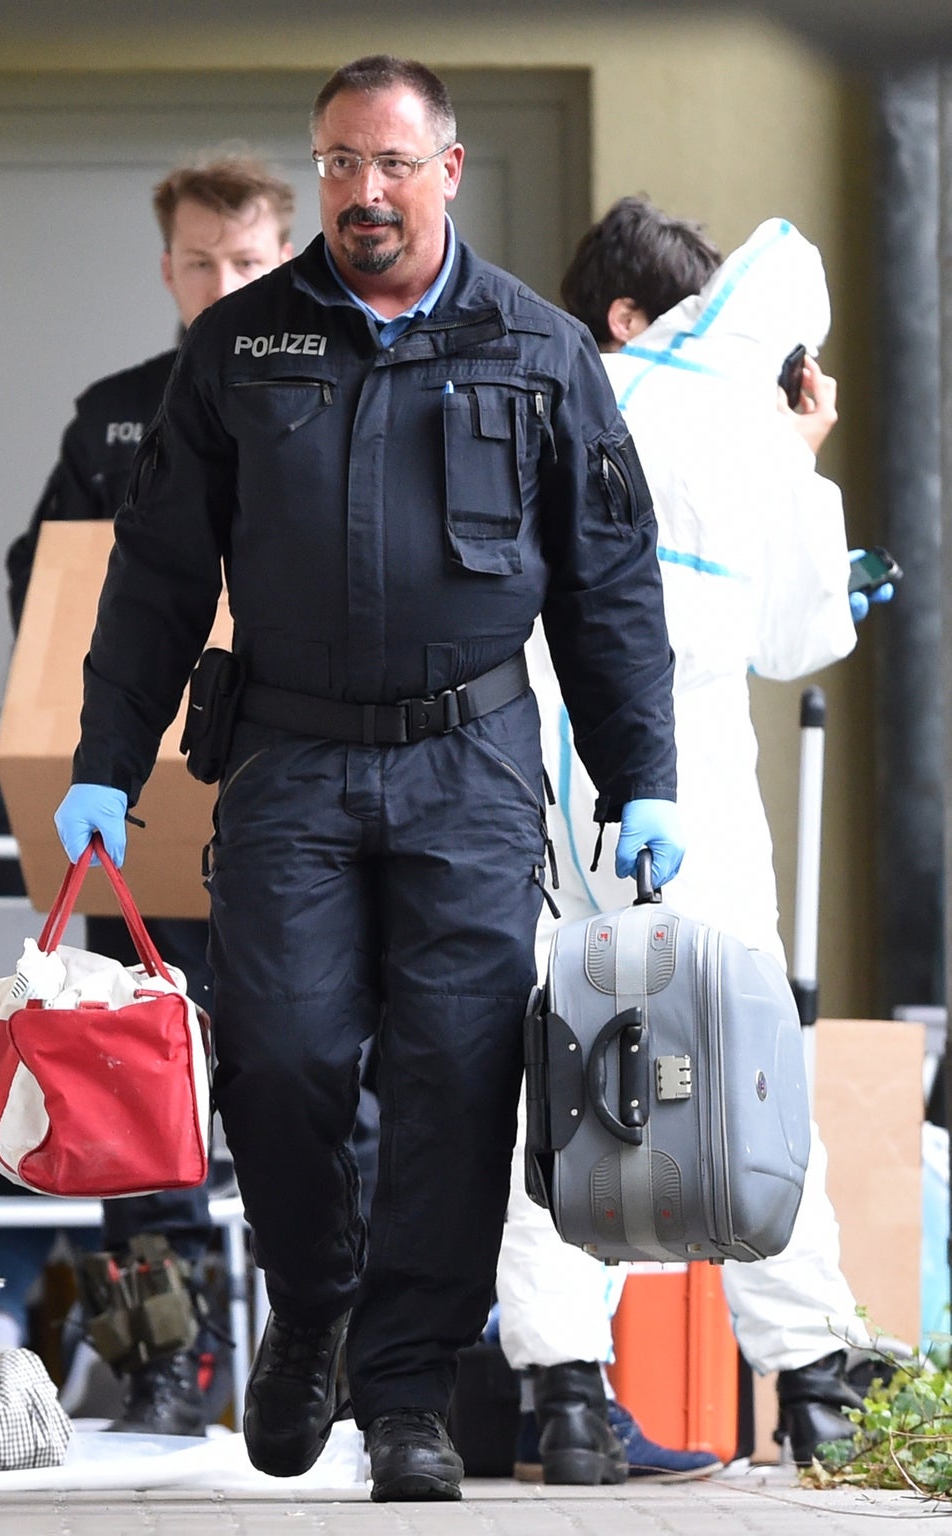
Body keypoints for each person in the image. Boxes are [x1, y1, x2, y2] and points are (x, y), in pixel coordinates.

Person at [52, 56, 685, 1503]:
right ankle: (313, 1307)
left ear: (446, 170)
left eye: (391, 165)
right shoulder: (238, 350)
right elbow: (153, 580)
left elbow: (609, 586)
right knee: (276, 1056)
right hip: (286, 762)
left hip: (469, 765)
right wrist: (103, 760)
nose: (364, 193)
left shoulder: (538, 352)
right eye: (338, 165)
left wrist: (638, 776)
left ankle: (403, 1394)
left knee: (455, 1081)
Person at [496, 195, 894, 1482]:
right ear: (641, 314)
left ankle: (563, 1393)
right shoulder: (730, 420)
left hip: (536, 775)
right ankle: (814, 1382)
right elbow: (796, 638)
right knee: (743, 1063)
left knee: (556, 1071)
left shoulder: (527, 403)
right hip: (696, 771)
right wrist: (803, 456)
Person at [0, 152, 295, 1434]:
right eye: (199, 262)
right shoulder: (113, 418)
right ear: (166, 267)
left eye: (245, 261)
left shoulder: (333, 394)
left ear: (281, 255)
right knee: (130, 1088)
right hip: (145, 820)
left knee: (312, 1081)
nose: (221, 281)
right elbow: (49, 594)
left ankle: (320, 1355)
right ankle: (164, 1361)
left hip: (297, 807)